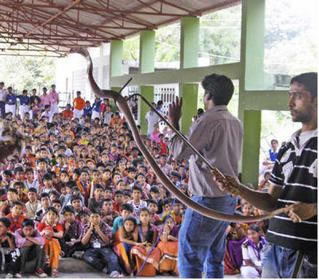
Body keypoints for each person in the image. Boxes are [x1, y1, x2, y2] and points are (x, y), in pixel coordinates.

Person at [214, 72, 317, 278]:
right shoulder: (287, 147)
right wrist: (239, 189)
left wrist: (314, 208)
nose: (289, 102)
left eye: (297, 95)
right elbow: (271, 202)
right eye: (289, 95)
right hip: (274, 246)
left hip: (308, 253)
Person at [168, 73, 243, 277]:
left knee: (191, 258)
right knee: (214, 257)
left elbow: (180, 153)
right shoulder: (235, 122)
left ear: (208, 95)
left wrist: (174, 122)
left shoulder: (208, 120)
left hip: (207, 200)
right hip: (228, 200)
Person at [81, 211, 123, 277]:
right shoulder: (86, 227)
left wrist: (99, 231)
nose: (95, 219)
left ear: (100, 217)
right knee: (86, 256)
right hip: (92, 248)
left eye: (97, 217)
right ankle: (104, 268)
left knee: (112, 257)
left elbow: (108, 242)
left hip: (104, 247)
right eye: (92, 217)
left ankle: (114, 271)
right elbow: (83, 242)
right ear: (89, 218)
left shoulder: (105, 226)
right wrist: (90, 230)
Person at [37, 207, 63, 277]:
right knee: (47, 237)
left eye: (53, 214)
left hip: (54, 245)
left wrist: (52, 233)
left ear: (57, 216)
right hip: (43, 244)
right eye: (49, 214)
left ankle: (54, 268)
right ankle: (46, 262)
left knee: (54, 241)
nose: (51, 216)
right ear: (45, 216)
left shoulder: (58, 225)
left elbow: (60, 235)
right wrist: (44, 232)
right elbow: (38, 234)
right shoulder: (42, 224)